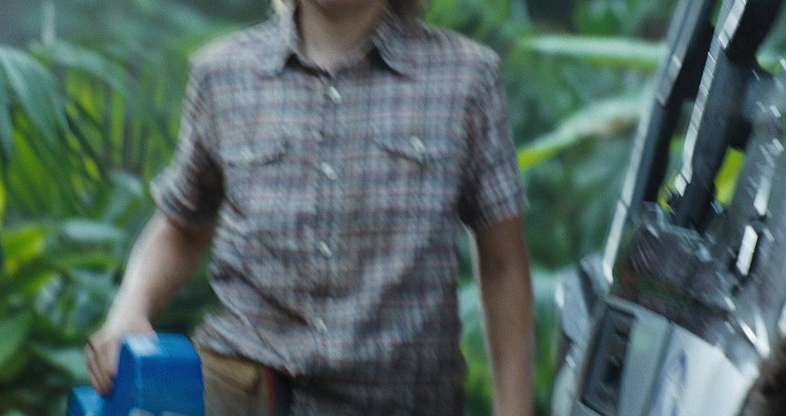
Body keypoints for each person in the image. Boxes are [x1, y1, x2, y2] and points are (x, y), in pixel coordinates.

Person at [85, 0, 535, 414]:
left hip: (402, 398)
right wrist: (128, 312)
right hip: (245, 388)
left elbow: (503, 262)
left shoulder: (466, 78)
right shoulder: (223, 74)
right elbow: (181, 226)